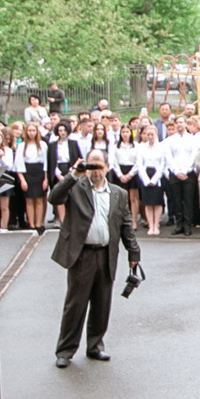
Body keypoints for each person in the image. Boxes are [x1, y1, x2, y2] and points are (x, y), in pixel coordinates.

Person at [50, 149, 142, 367]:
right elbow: (54, 197)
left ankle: (95, 345)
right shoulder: (76, 187)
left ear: (107, 167)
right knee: (75, 305)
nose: (95, 171)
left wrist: (134, 252)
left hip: (106, 254)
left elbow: (126, 225)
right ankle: (65, 350)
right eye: (91, 166)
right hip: (82, 255)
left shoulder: (118, 193)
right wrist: (74, 174)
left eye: (99, 166)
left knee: (102, 304)